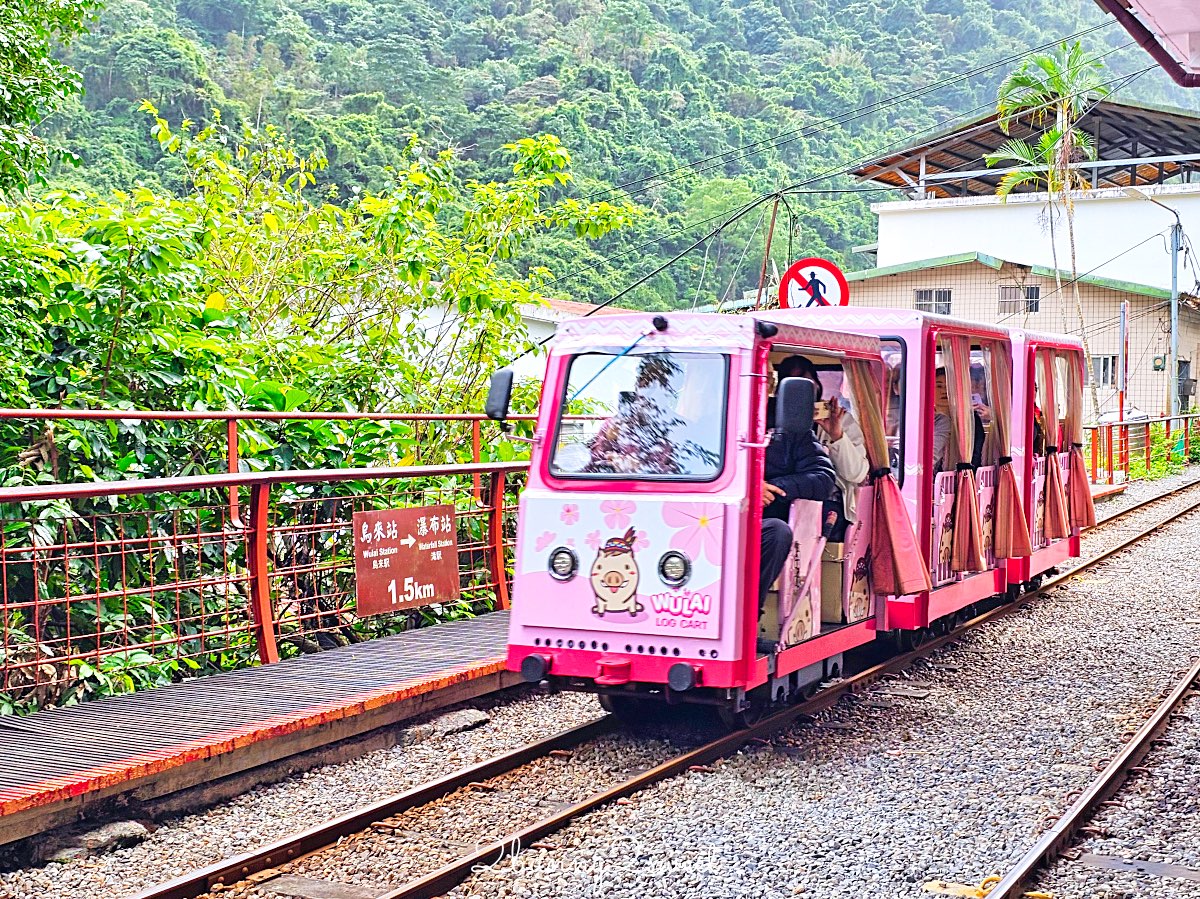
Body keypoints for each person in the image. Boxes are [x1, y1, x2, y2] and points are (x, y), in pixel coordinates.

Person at [758, 379, 836, 611]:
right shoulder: (696, 423)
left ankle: (749, 618)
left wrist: (774, 486)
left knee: (777, 532)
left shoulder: (788, 426)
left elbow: (823, 479)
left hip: (757, 523)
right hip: (707, 520)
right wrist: (749, 487)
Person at [775, 356, 869, 537]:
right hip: (783, 499)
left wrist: (836, 435)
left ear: (817, 385)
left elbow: (856, 473)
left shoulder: (842, 420)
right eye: (793, 387)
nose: (800, 393)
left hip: (828, 503)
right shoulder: (772, 421)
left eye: (806, 385)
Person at [932, 366, 986, 473]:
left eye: (949, 386)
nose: (944, 391)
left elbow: (976, 455)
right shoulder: (926, 419)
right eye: (939, 386)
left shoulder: (970, 420)